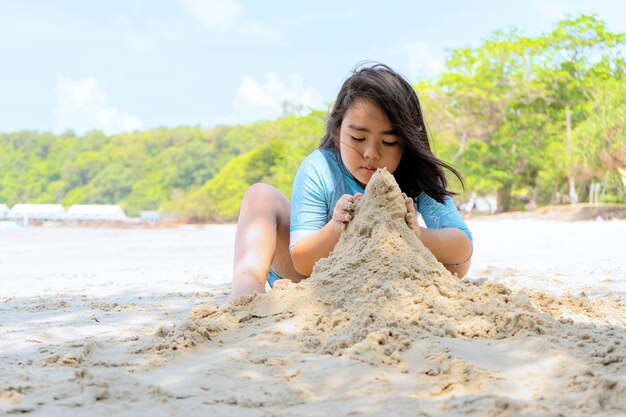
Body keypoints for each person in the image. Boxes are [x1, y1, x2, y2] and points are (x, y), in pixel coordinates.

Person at [227, 63, 473, 301]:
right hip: (313, 275)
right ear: (337, 131)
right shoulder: (320, 168)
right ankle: (246, 289)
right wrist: (336, 227)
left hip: (388, 277)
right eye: (357, 138)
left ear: (407, 142)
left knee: (457, 266)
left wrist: (412, 234)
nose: (371, 153)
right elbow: (301, 260)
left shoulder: (414, 174)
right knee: (260, 195)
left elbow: (464, 248)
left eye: (388, 142)